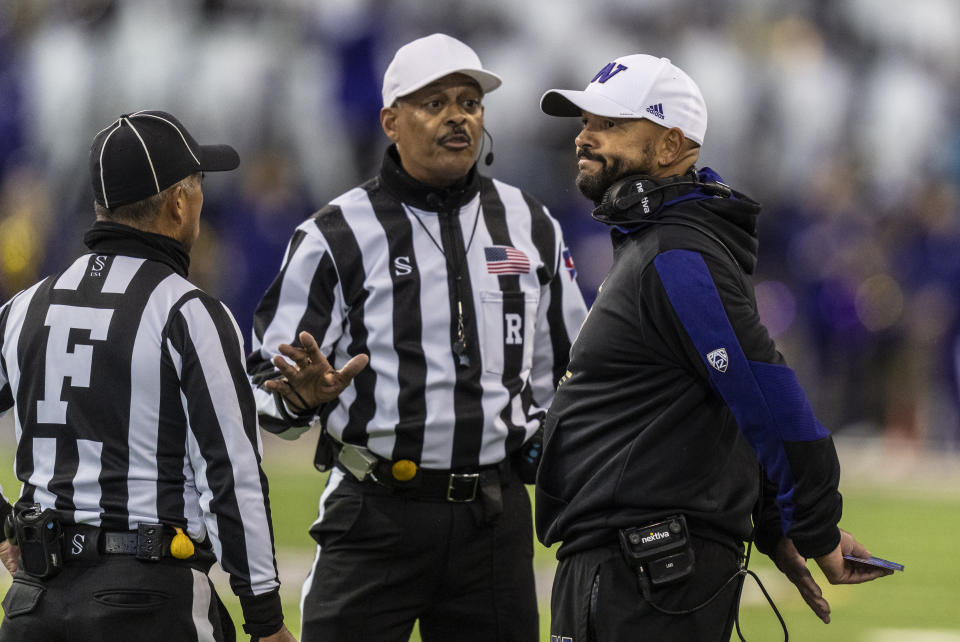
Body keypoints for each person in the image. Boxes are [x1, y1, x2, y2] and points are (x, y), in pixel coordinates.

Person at [535, 54, 894, 640]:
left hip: (645, 579)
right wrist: (776, 524)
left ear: (671, 144)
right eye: (585, 121)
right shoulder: (659, 243)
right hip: (638, 569)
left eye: (610, 124)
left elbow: (768, 396)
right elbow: (710, 401)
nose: (584, 136)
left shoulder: (678, 252)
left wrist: (815, 526)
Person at [246, 33, 588, 642]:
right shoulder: (334, 233)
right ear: (391, 120)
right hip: (375, 513)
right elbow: (264, 386)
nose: (458, 116)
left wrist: (540, 442)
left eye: (470, 102)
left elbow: (572, 367)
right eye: (434, 103)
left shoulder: (531, 224)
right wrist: (300, 398)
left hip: (493, 516)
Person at [0, 110, 296, 642]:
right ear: (178, 202)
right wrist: (266, 621)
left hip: (34, 602)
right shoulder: (189, 312)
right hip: (148, 598)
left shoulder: (24, 306)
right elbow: (232, 475)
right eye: (199, 185)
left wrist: (3, 522)